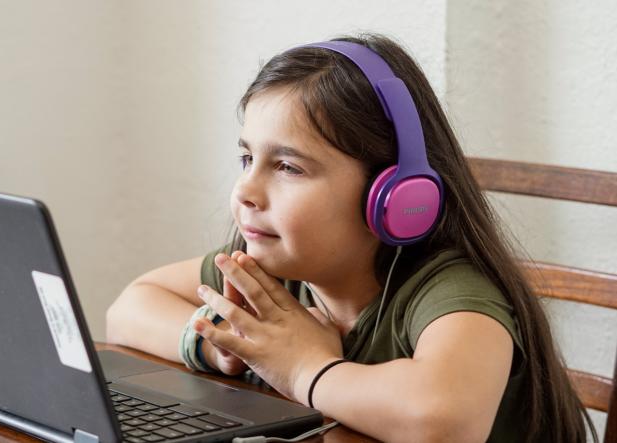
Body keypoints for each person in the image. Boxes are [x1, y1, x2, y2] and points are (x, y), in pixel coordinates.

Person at [106, 34, 594, 442]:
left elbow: (445, 421)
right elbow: (129, 308)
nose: (245, 191)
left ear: (395, 196)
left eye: (288, 167)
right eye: (247, 159)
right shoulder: (271, 268)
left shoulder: (447, 293)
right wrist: (220, 346)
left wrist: (304, 368)